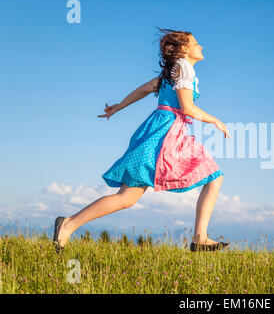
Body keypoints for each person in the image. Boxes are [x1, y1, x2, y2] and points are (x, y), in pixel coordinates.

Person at [53, 28, 231, 253]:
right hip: (164, 136)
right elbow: (186, 107)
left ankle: (68, 224)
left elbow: (146, 89)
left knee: (126, 198)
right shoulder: (183, 68)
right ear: (184, 49)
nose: (201, 46)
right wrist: (216, 121)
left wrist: (119, 106)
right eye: (196, 43)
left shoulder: (175, 70)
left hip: (160, 132)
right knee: (214, 177)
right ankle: (199, 238)